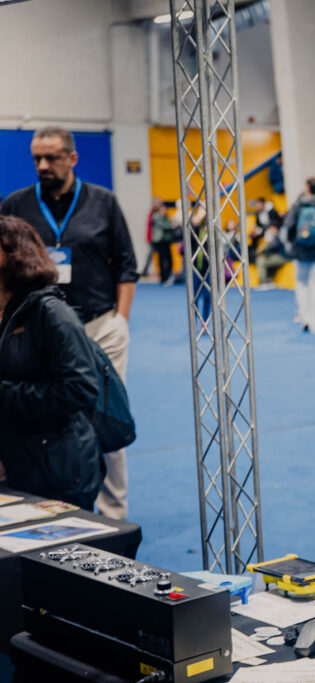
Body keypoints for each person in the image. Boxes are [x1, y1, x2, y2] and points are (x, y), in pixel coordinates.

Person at [1, 126, 137, 520]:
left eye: (52, 158)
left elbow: (125, 266)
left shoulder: (103, 202)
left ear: (72, 159)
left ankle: (112, 515)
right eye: (36, 159)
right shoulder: (16, 204)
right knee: (48, 413)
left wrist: (121, 322)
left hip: (99, 326)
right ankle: (42, 503)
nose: (43, 165)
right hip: (37, 330)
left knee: (104, 415)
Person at [0, 216, 103, 509]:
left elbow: (80, 389)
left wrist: (5, 394)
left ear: (15, 254)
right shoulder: (6, 313)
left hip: (57, 470)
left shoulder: (51, 312)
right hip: (18, 464)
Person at [283, 177, 315, 334]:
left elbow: (289, 225)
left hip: (300, 251)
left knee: (301, 285)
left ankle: (304, 318)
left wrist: (293, 243)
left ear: (307, 187)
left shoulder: (299, 205)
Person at [150, 199, 175, 286]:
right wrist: (171, 225)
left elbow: (170, 223)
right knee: (162, 260)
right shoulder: (156, 216)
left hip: (166, 241)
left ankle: (168, 276)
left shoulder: (165, 216)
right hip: (159, 241)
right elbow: (166, 225)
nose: (165, 209)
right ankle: (163, 277)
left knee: (169, 259)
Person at [255, 225, 288, 289]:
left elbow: (272, 247)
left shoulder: (278, 237)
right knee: (262, 259)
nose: (270, 231)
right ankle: (268, 280)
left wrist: (266, 244)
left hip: (282, 257)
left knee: (261, 261)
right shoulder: (274, 238)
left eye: (271, 229)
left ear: (275, 229)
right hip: (276, 257)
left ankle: (263, 283)